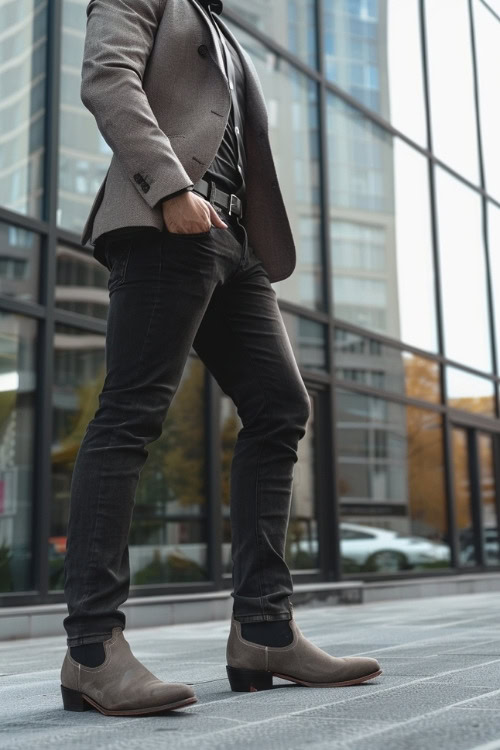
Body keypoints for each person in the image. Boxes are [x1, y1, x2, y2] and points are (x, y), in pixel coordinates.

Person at [59, 0, 382, 716]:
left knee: (281, 406)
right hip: (165, 220)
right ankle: (91, 648)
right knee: (132, 414)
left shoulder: (222, 27)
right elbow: (107, 78)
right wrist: (170, 185)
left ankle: (264, 627)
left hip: (234, 241)